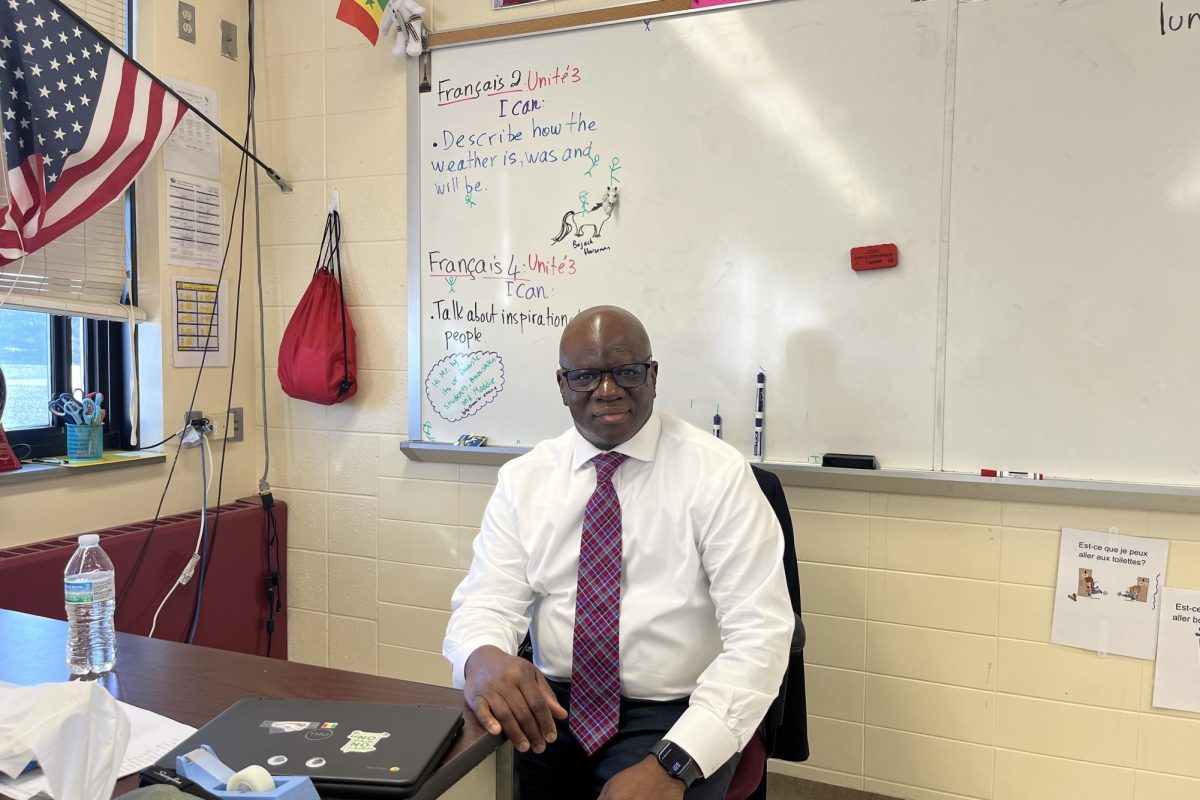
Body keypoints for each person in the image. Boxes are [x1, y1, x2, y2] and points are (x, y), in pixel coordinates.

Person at [443, 306, 794, 800]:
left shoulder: (718, 476)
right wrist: (480, 656)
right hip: (551, 702)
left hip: (675, 707)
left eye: (626, 372)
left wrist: (675, 763)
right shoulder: (525, 479)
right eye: (586, 376)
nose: (607, 391)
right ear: (562, 385)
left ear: (652, 375)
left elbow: (761, 636)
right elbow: (486, 602)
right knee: (461, 785)